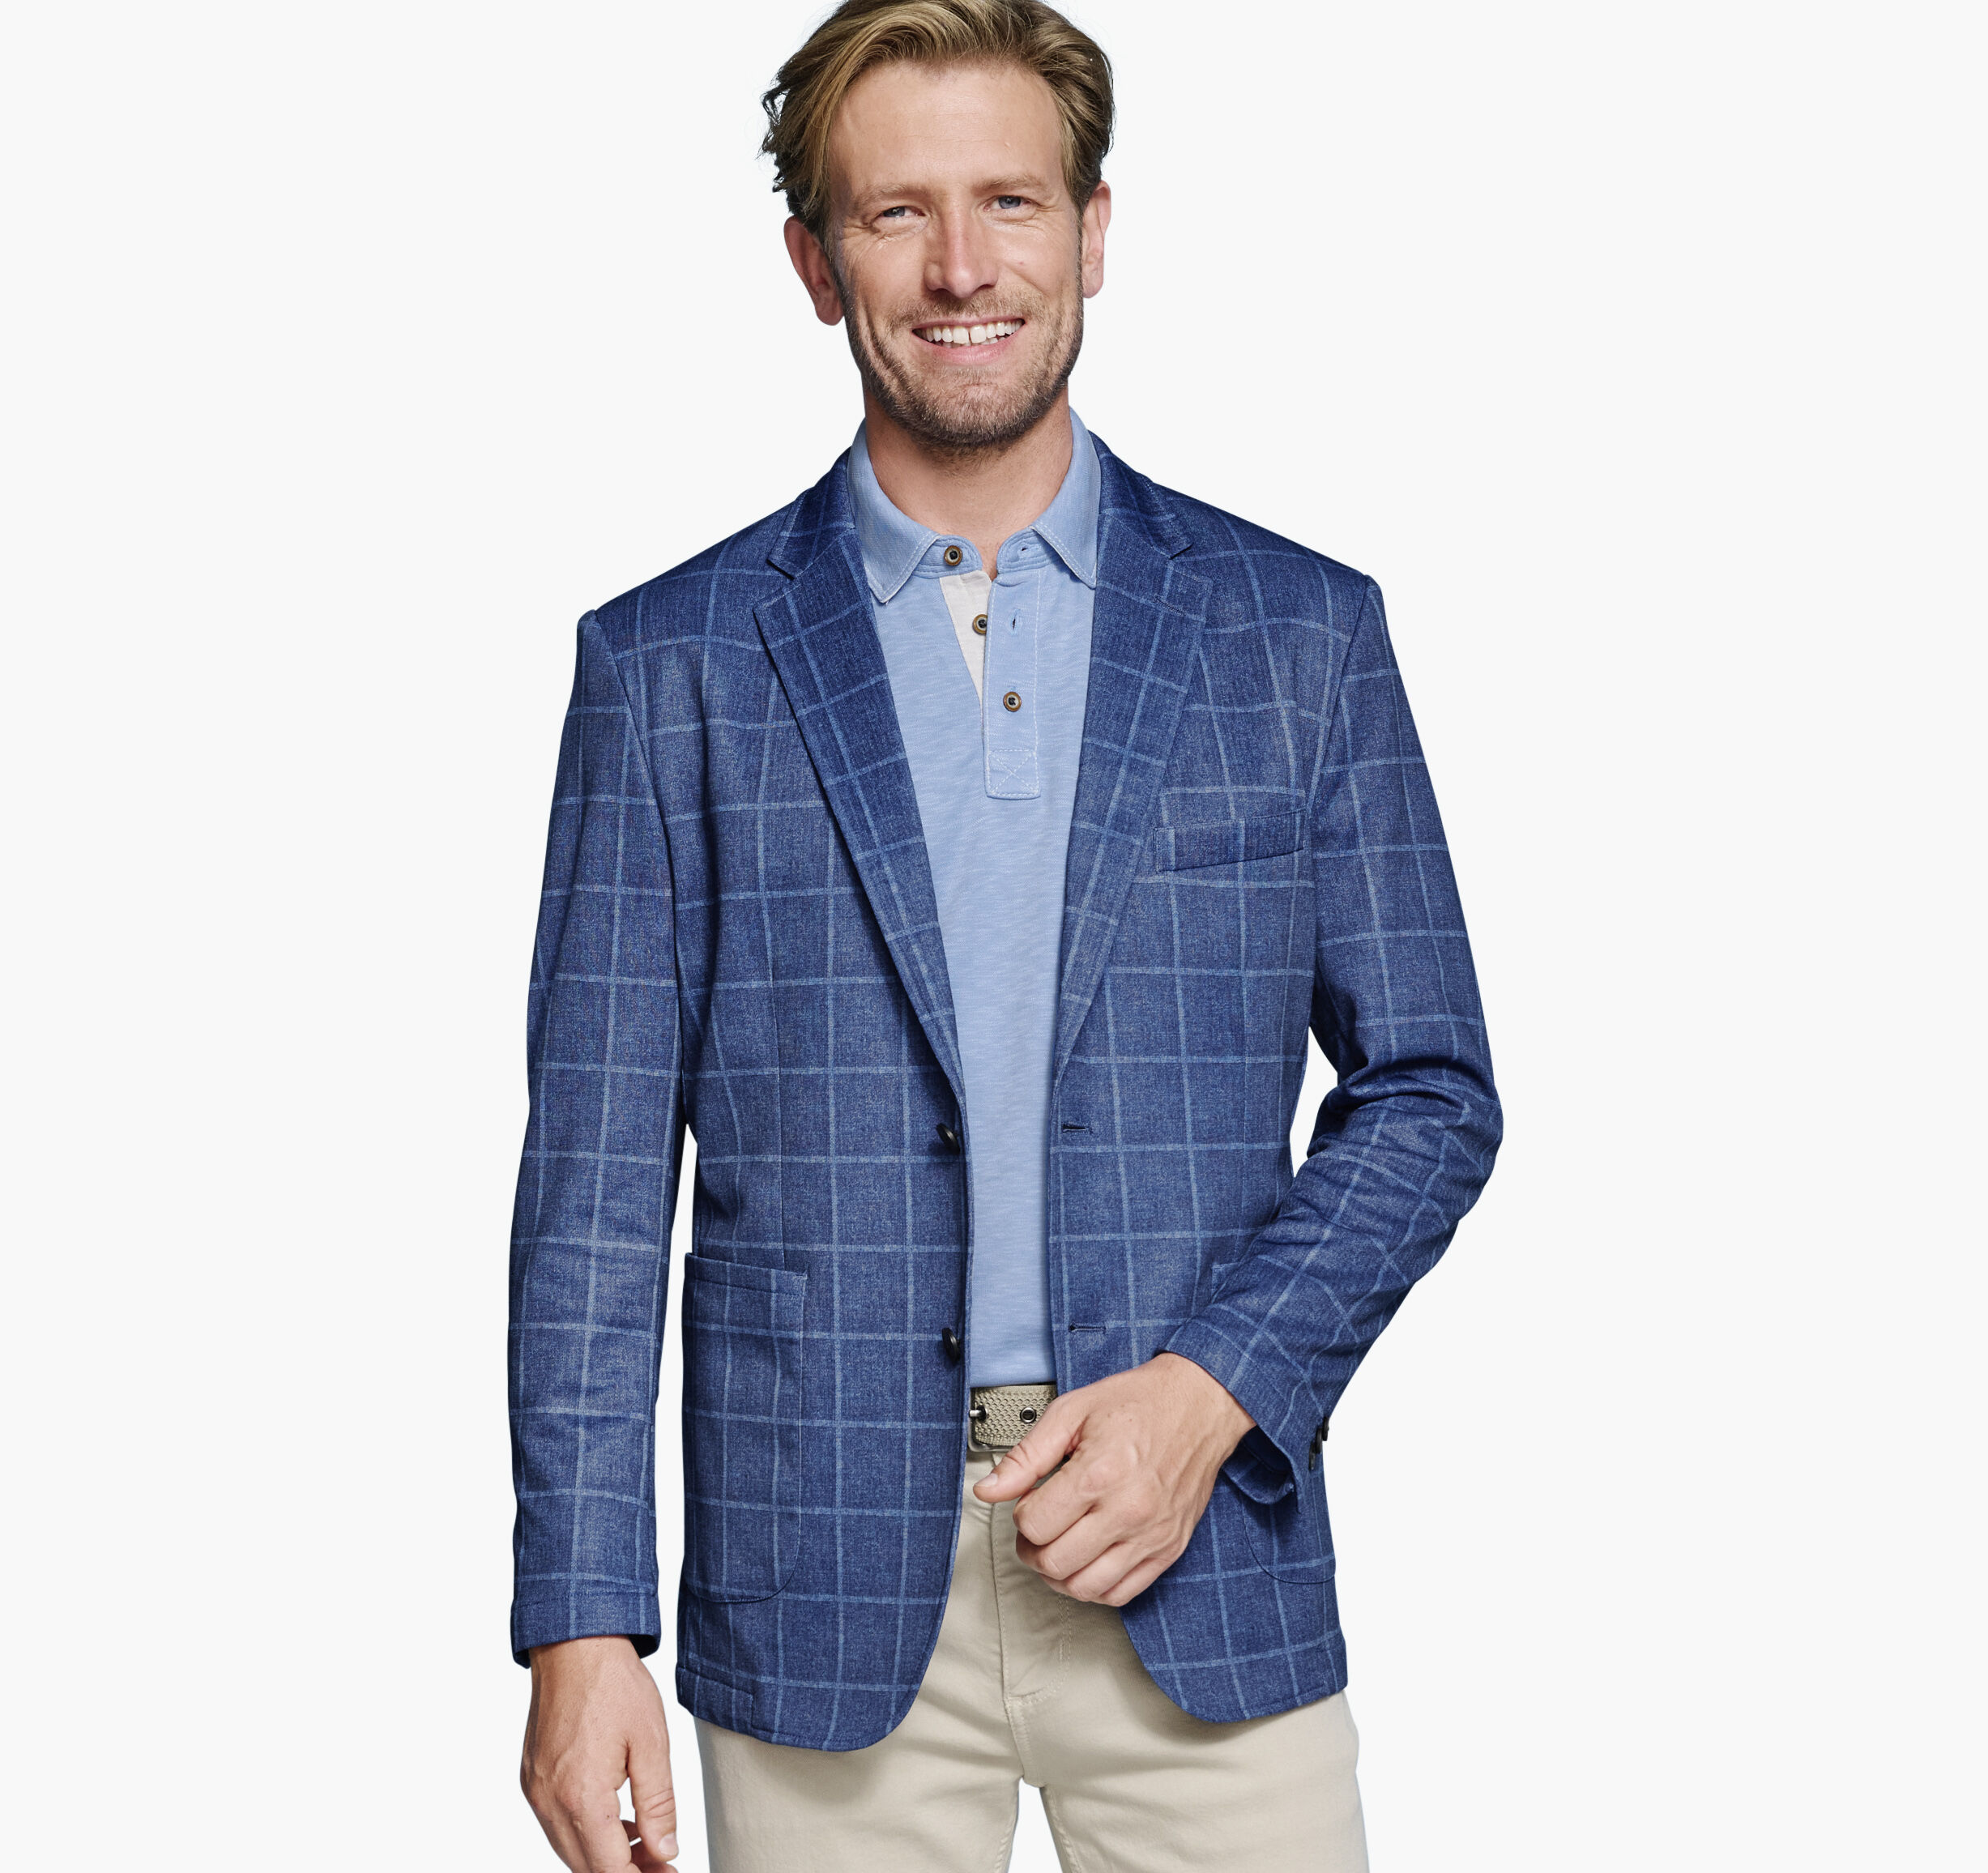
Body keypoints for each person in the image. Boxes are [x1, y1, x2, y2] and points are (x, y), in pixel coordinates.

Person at [508, 2, 1500, 1867]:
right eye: (897, 213)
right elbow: (595, 1186)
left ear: (1094, 231)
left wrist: (1213, 1393)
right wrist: (581, 1620)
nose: (962, 266)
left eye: (1011, 201)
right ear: (816, 263)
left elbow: (1432, 1087)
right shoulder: (668, 667)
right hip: (814, 1580)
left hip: (1200, 1552)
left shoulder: (1299, 633)